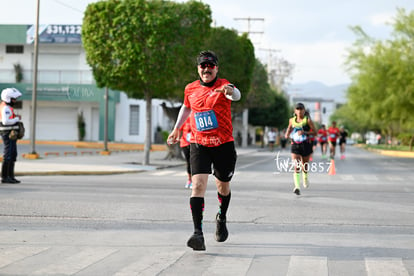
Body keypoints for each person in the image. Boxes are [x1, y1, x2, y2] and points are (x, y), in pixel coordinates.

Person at [167, 51, 241, 251]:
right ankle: (197, 233)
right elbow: (186, 108)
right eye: (203, 66)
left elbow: (236, 94)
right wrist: (176, 129)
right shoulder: (190, 88)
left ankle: (221, 217)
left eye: (210, 65)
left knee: (222, 186)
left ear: (216, 68)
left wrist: (229, 90)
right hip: (199, 144)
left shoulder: (224, 85)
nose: (206, 69)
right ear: (198, 68)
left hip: (223, 144)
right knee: (197, 185)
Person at [284, 103, 317, 195]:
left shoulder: (308, 121)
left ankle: (305, 177)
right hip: (295, 145)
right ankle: (297, 187)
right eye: (297, 109)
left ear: (304, 110)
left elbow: (315, 133)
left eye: (301, 109)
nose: (299, 111)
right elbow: (289, 129)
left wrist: (305, 132)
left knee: (304, 165)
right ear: (295, 111)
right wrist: (287, 134)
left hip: (305, 144)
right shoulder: (291, 120)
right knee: (296, 166)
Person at [0, 88, 22, 184]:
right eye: (13, 99)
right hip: (7, 134)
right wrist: (16, 119)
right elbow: (5, 121)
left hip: (11, 134)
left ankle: (11, 176)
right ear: (8, 98)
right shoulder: (5, 108)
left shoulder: (7, 107)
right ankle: (5, 177)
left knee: (13, 154)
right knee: (8, 155)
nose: (15, 100)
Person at [180, 118, 192, 189]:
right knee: (188, 162)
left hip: (194, 144)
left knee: (193, 162)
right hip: (185, 143)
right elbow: (179, 129)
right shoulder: (185, 119)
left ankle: (194, 180)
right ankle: (189, 180)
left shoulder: (195, 117)